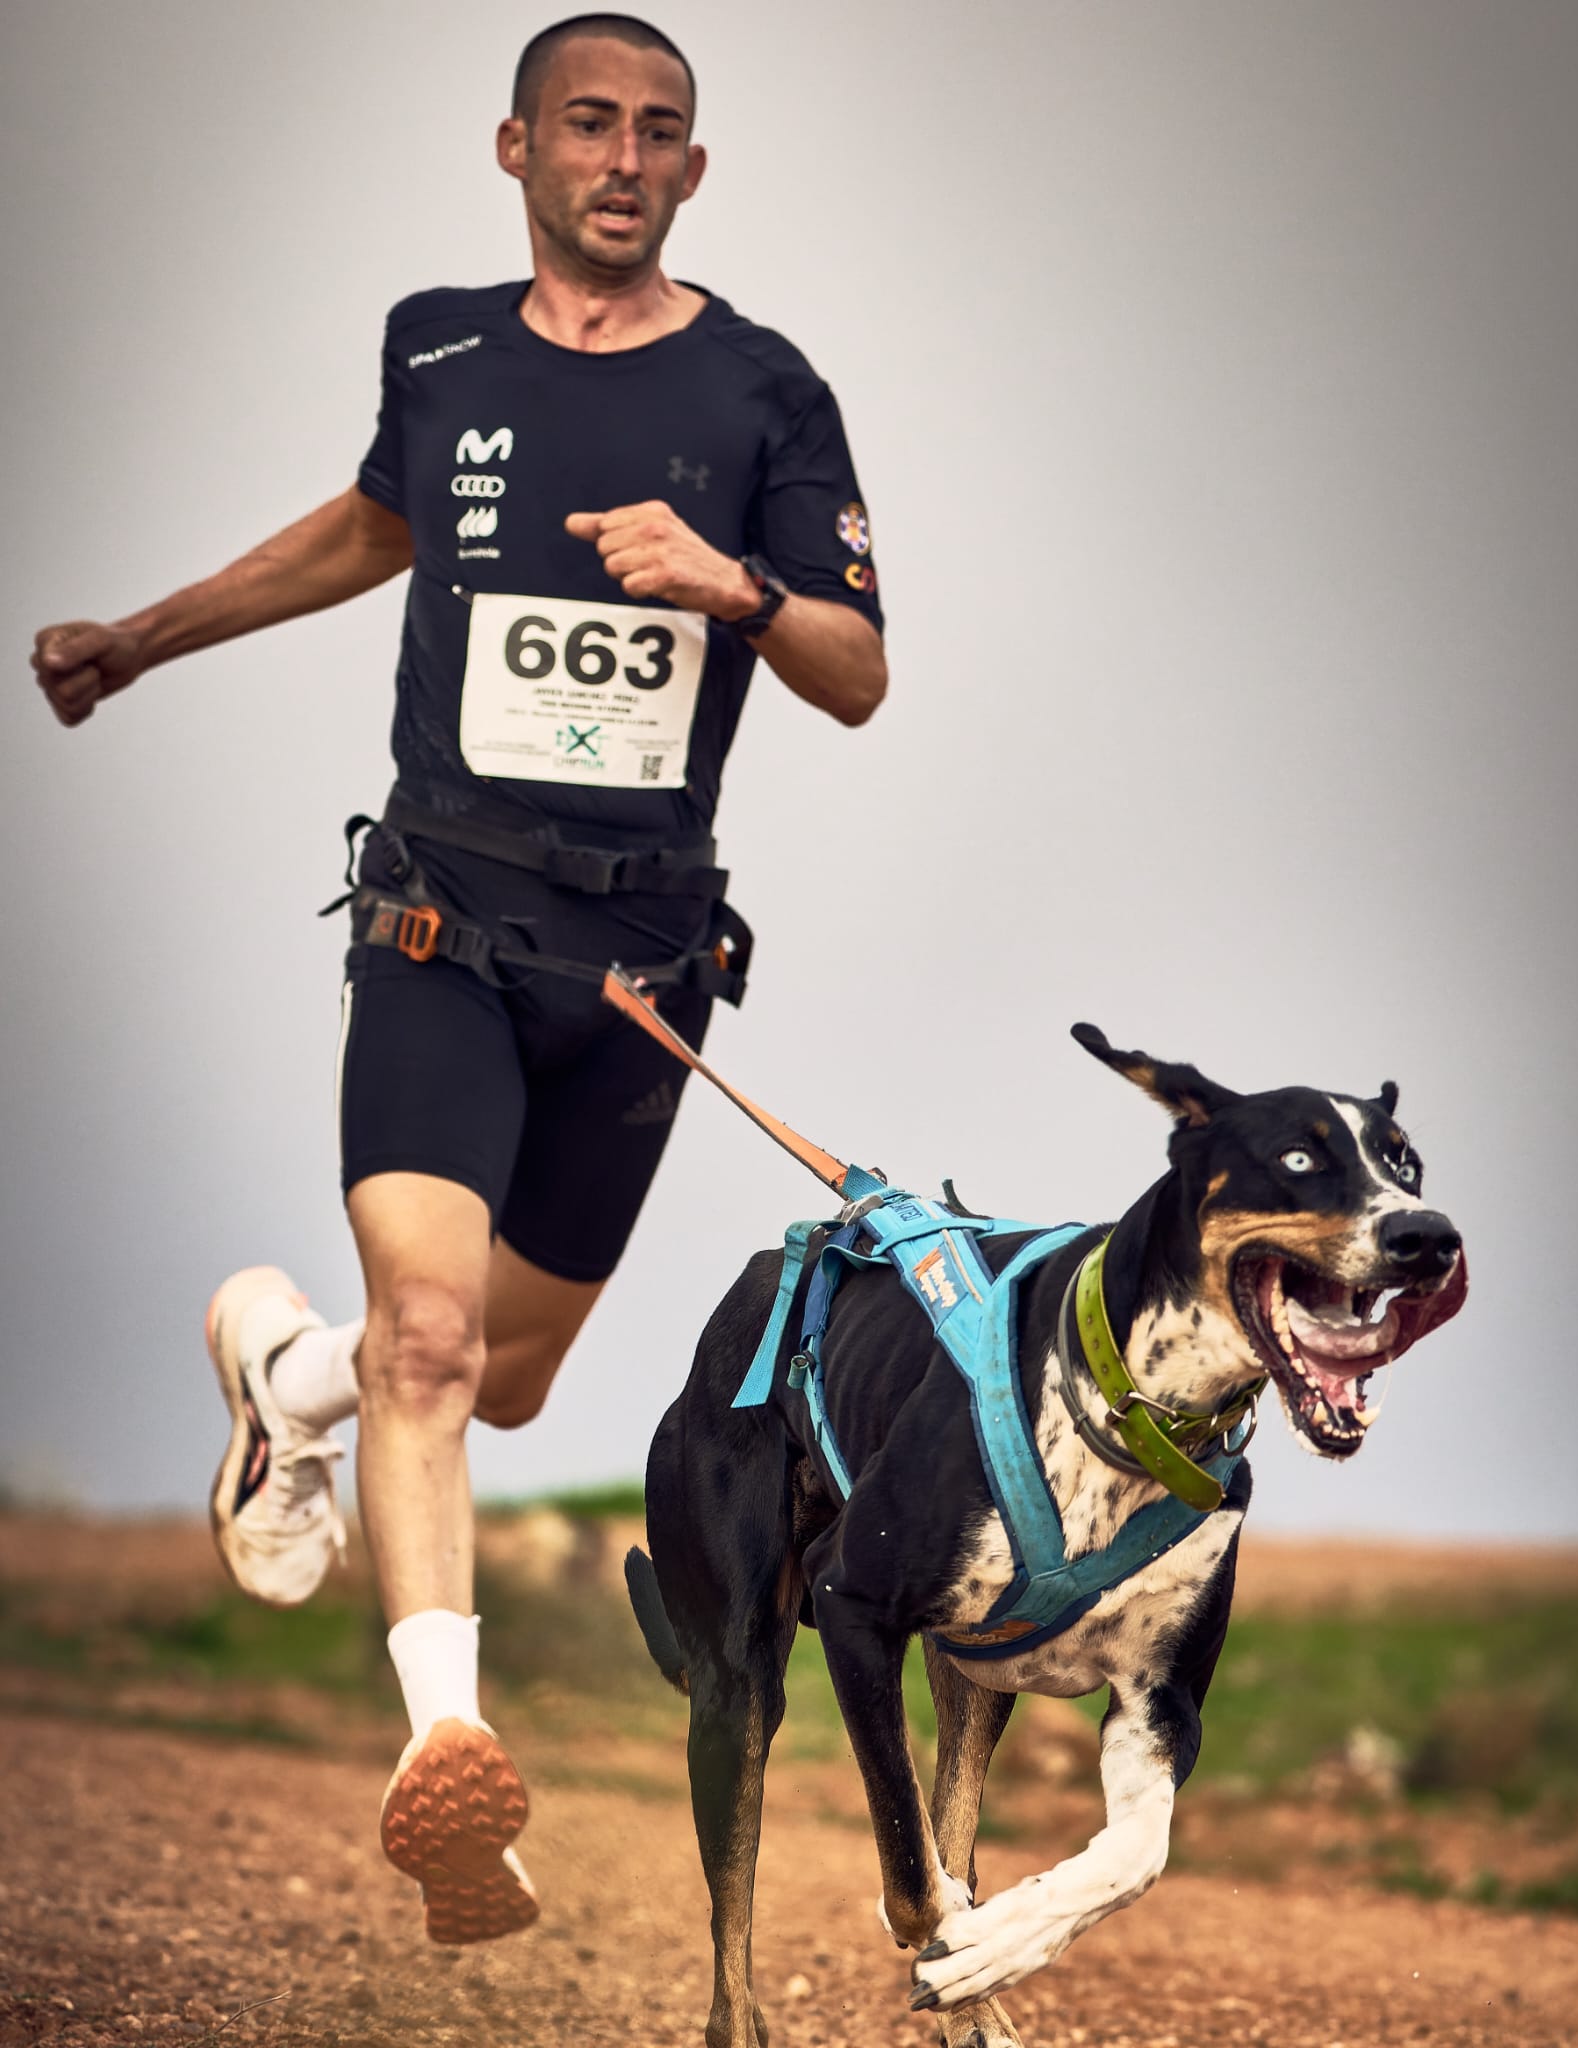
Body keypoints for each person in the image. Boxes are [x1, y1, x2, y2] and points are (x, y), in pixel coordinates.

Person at [30, 13, 886, 1947]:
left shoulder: (764, 391)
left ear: (691, 171)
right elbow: (375, 525)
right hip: (439, 919)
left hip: (647, 965)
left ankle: (279, 1382)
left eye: (659, 132)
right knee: (426, 1337)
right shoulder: (438, 343)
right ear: (513, 148)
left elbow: (857, 670)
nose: (621, 155)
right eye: (587, 121)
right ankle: (447, 1757)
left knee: (496, 1381)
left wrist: (735, 586)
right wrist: (145, 638)